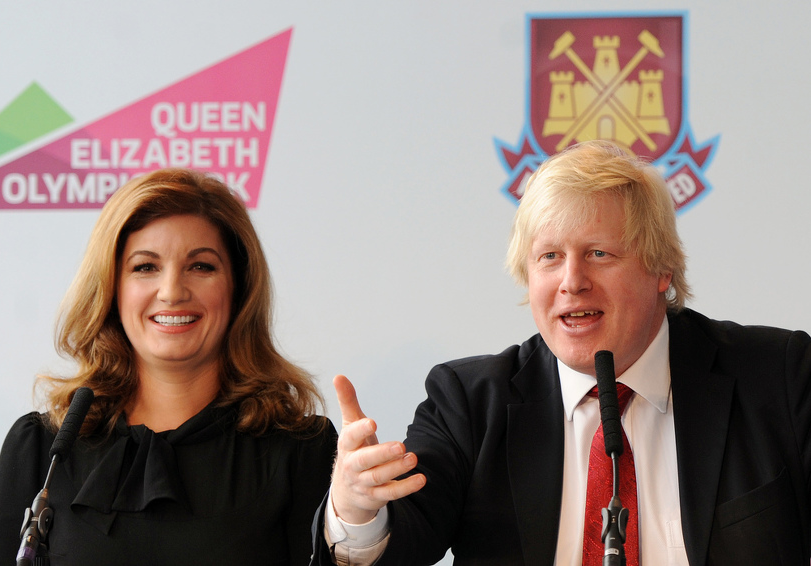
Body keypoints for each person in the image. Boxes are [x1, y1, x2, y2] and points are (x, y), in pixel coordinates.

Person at [311, 140, 811, 565]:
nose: (572, 282)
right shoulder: (469, 401)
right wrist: (357, 509)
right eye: (550, 257)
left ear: (662, 270)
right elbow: (404, 537)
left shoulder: (777, 376)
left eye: (599, 253)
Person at [0, 169, 337, 565]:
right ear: (112, 288)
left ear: (239, 286)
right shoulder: (42, 449)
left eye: (201, 266)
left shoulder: (301, 449)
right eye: (145, 267)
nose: (172, 291)